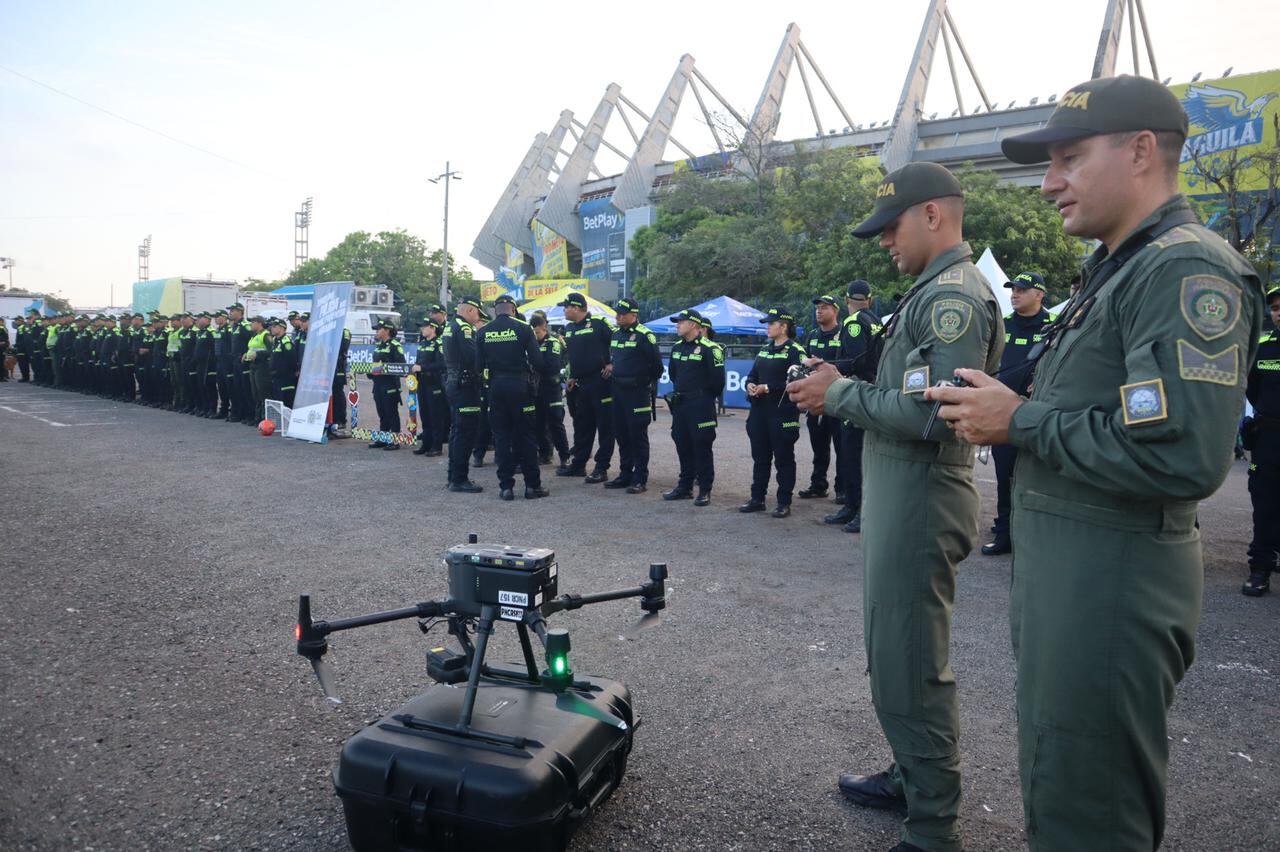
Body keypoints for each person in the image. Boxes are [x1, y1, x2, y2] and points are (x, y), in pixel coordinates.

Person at [926, 75, 1262, 851]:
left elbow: (1184, 457)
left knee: (1092, 807)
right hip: (1076, 574)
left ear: (1142, 151)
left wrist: (1023, 421)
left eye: (1069, 159)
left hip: (1111, 584)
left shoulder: (1184, 271)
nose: (1048, 184)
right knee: (1062, 772)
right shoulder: (1120, 266)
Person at [787, 160, 1003, 852]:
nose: (883, 240)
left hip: (922, 496)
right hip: (902, 493)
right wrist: (841, 378)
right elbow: (910, 388)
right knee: (893, 653)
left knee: (911, 659)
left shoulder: (954, 298)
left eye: (891, 225)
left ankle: (934, 826)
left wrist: (839, 396)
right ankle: (912, 778)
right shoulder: (929, 291)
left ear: (933, 214)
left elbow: (940, 413)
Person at [981, 272, 1055, 556]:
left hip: (1040, 413)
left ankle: (1036, 535)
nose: (1015, 294)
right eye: (1013, 289)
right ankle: (1005, 533)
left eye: (1022, 290)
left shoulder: (1054, 325)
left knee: (1039, 477)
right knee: (1005, 477)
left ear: (1039, 294)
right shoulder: (1004, 325)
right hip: (1004, 413)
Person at [475, 294, 548, 500]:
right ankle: (532, 486)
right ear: (513, 310)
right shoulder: (523, 328)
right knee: (526, 436)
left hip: (496, 387)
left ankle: (505, 487)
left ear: (495, 310)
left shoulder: (483, 331)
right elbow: (537, 361)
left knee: (501, 437)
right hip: (519, 387)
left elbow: (478, 367)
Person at [825, 280, 884, 533]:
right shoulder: (876, 320)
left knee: (853, 453)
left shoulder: (854, 322)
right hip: (873, 388)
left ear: (847, 300)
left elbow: (854, 359)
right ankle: (851, 506)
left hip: (856, 389)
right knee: (854, 452)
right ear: (869, 300)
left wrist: (831, 369)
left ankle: (859, 510)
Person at [741, 307, 806, 517]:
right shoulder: (764, 349)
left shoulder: (796, 350)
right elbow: (752, 375)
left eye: (771, 323)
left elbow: (798, 381)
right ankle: (757, 498)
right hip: (759, 412)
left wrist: (768, 388)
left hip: (783, 413)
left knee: (784, 458)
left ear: (784, 326)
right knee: (760, 458)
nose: (767, 327)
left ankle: (783, 502)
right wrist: (750, 385)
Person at [663, 308, 725, 506]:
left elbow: (717, 382)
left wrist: (701, 397)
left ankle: (705, 490)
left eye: (681, 322)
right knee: (682, 443)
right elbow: (673, 375)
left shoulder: (711, 348)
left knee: (702, 445)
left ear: (694, 325)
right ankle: (684, 487)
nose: (677, 325)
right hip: (681, 404)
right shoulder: (677, 347)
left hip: (701, 404)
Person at [1243, 285, 1280, 596]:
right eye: (1276, 307)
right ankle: (1260, 569)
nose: (1279, 312)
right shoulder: (1262, 346)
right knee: (1265, 502)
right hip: (1268, 437)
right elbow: (1251, 389)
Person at [607, 298, 664, 494]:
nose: (618, 316)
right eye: (617, 313)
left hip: (637, 393)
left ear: (634, 315)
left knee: (637, 435)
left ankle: (640, 477)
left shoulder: (645, 336)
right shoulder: (615, 335)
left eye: (622, 313)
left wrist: (642, 382)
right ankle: (625, 474)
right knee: (621, 434)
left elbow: (657, 367)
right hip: (618, 391)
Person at [556, 291, 615, 482]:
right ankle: (579, 464)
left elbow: (617, 342)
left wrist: (612, 363)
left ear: (576, 307)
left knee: (605, 427)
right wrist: (572, 375)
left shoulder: (599, 323)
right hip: (581, 385)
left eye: (566, 307)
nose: (564, 310)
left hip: (601, 382)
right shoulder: (570, 328)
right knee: (582, 426)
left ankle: (601, 468)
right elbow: (574, 356)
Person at [801, 295, 845, 500]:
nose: (819, 311)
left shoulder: (844, 333)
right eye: (817, 307)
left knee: (842, 447)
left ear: (835, 311)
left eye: (824, 308)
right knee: (819, 446)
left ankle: (843, 489)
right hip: (815, 401)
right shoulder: (812, 335)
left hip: (838, 400)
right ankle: (818, 484)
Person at [443, 298, 486, 491]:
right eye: (478, 314)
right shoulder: (465, 328)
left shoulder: (450, 325)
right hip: (465, 386)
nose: (478, 319)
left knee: (457, 431)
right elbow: (473, 358)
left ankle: (454, 476)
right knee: (466, 432)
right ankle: (460, 479)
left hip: (453, 382)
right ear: (470, 310)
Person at [530, 313, 571, 469]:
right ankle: (545, 454)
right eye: (532, 332)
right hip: (536, 389)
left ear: (544, 328)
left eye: (537, 332)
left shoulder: (553, 343)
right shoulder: (531, 343)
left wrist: (535, 365)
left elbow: (550, 366)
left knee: (555, 423)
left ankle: (564, 456)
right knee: (538, 424)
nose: (535, 335)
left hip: (551, 388)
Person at [411, 319, 446, 456]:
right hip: (422, 384)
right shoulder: (422, 343)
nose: (422, 329)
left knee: (435, 416)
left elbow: (442, 364)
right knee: (424, 415)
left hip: (434, 384)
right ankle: (426, 444)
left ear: (433, 328)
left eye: (424, 327)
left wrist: (422, 367)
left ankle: (436, 447)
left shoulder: (439, 343)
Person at [368, 319, 405, 450]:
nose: (377, 331)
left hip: (390, 386)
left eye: (379, 329)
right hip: (377, 385)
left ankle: (395, 441)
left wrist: (385, 368)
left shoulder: (395, 345)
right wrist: (371, 372)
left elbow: (402, 366)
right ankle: (383, 438)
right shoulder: (379, 345)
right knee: (382, 413)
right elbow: (375, 365)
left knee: (392, 413)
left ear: (387, 330)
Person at [267, 317, 299, 410]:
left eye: (274, 326)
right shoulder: (276, 342)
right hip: (276, 377)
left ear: (282, 328)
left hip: (285, 378)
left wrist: (289, 372)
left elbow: (292, 360)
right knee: (278, 401)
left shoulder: (286, 342)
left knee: (286, 402)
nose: (272, 328)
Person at [245, 316, 271, 422]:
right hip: (253, 365)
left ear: (259, 323)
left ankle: (264, 418)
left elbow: (271, 350)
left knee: (262, 392)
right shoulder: (254, 335)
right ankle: (257, 417)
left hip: (262, 366)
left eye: (253, 322)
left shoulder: (266, 335)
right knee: (255, 393)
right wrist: (245, 354)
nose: (251, 324)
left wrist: (258, 354)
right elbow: (252, 348)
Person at [13, 315, 31, 382]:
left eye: (17, 320)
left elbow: (25, 338)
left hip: (23, 349)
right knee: (21, 363)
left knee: (23, 363)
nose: (15, 322)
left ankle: (26, 377)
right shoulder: (20, 327)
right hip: (20, 348)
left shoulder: (23, 327)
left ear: (21, 320)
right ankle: (24, 377)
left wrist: (19, 345)